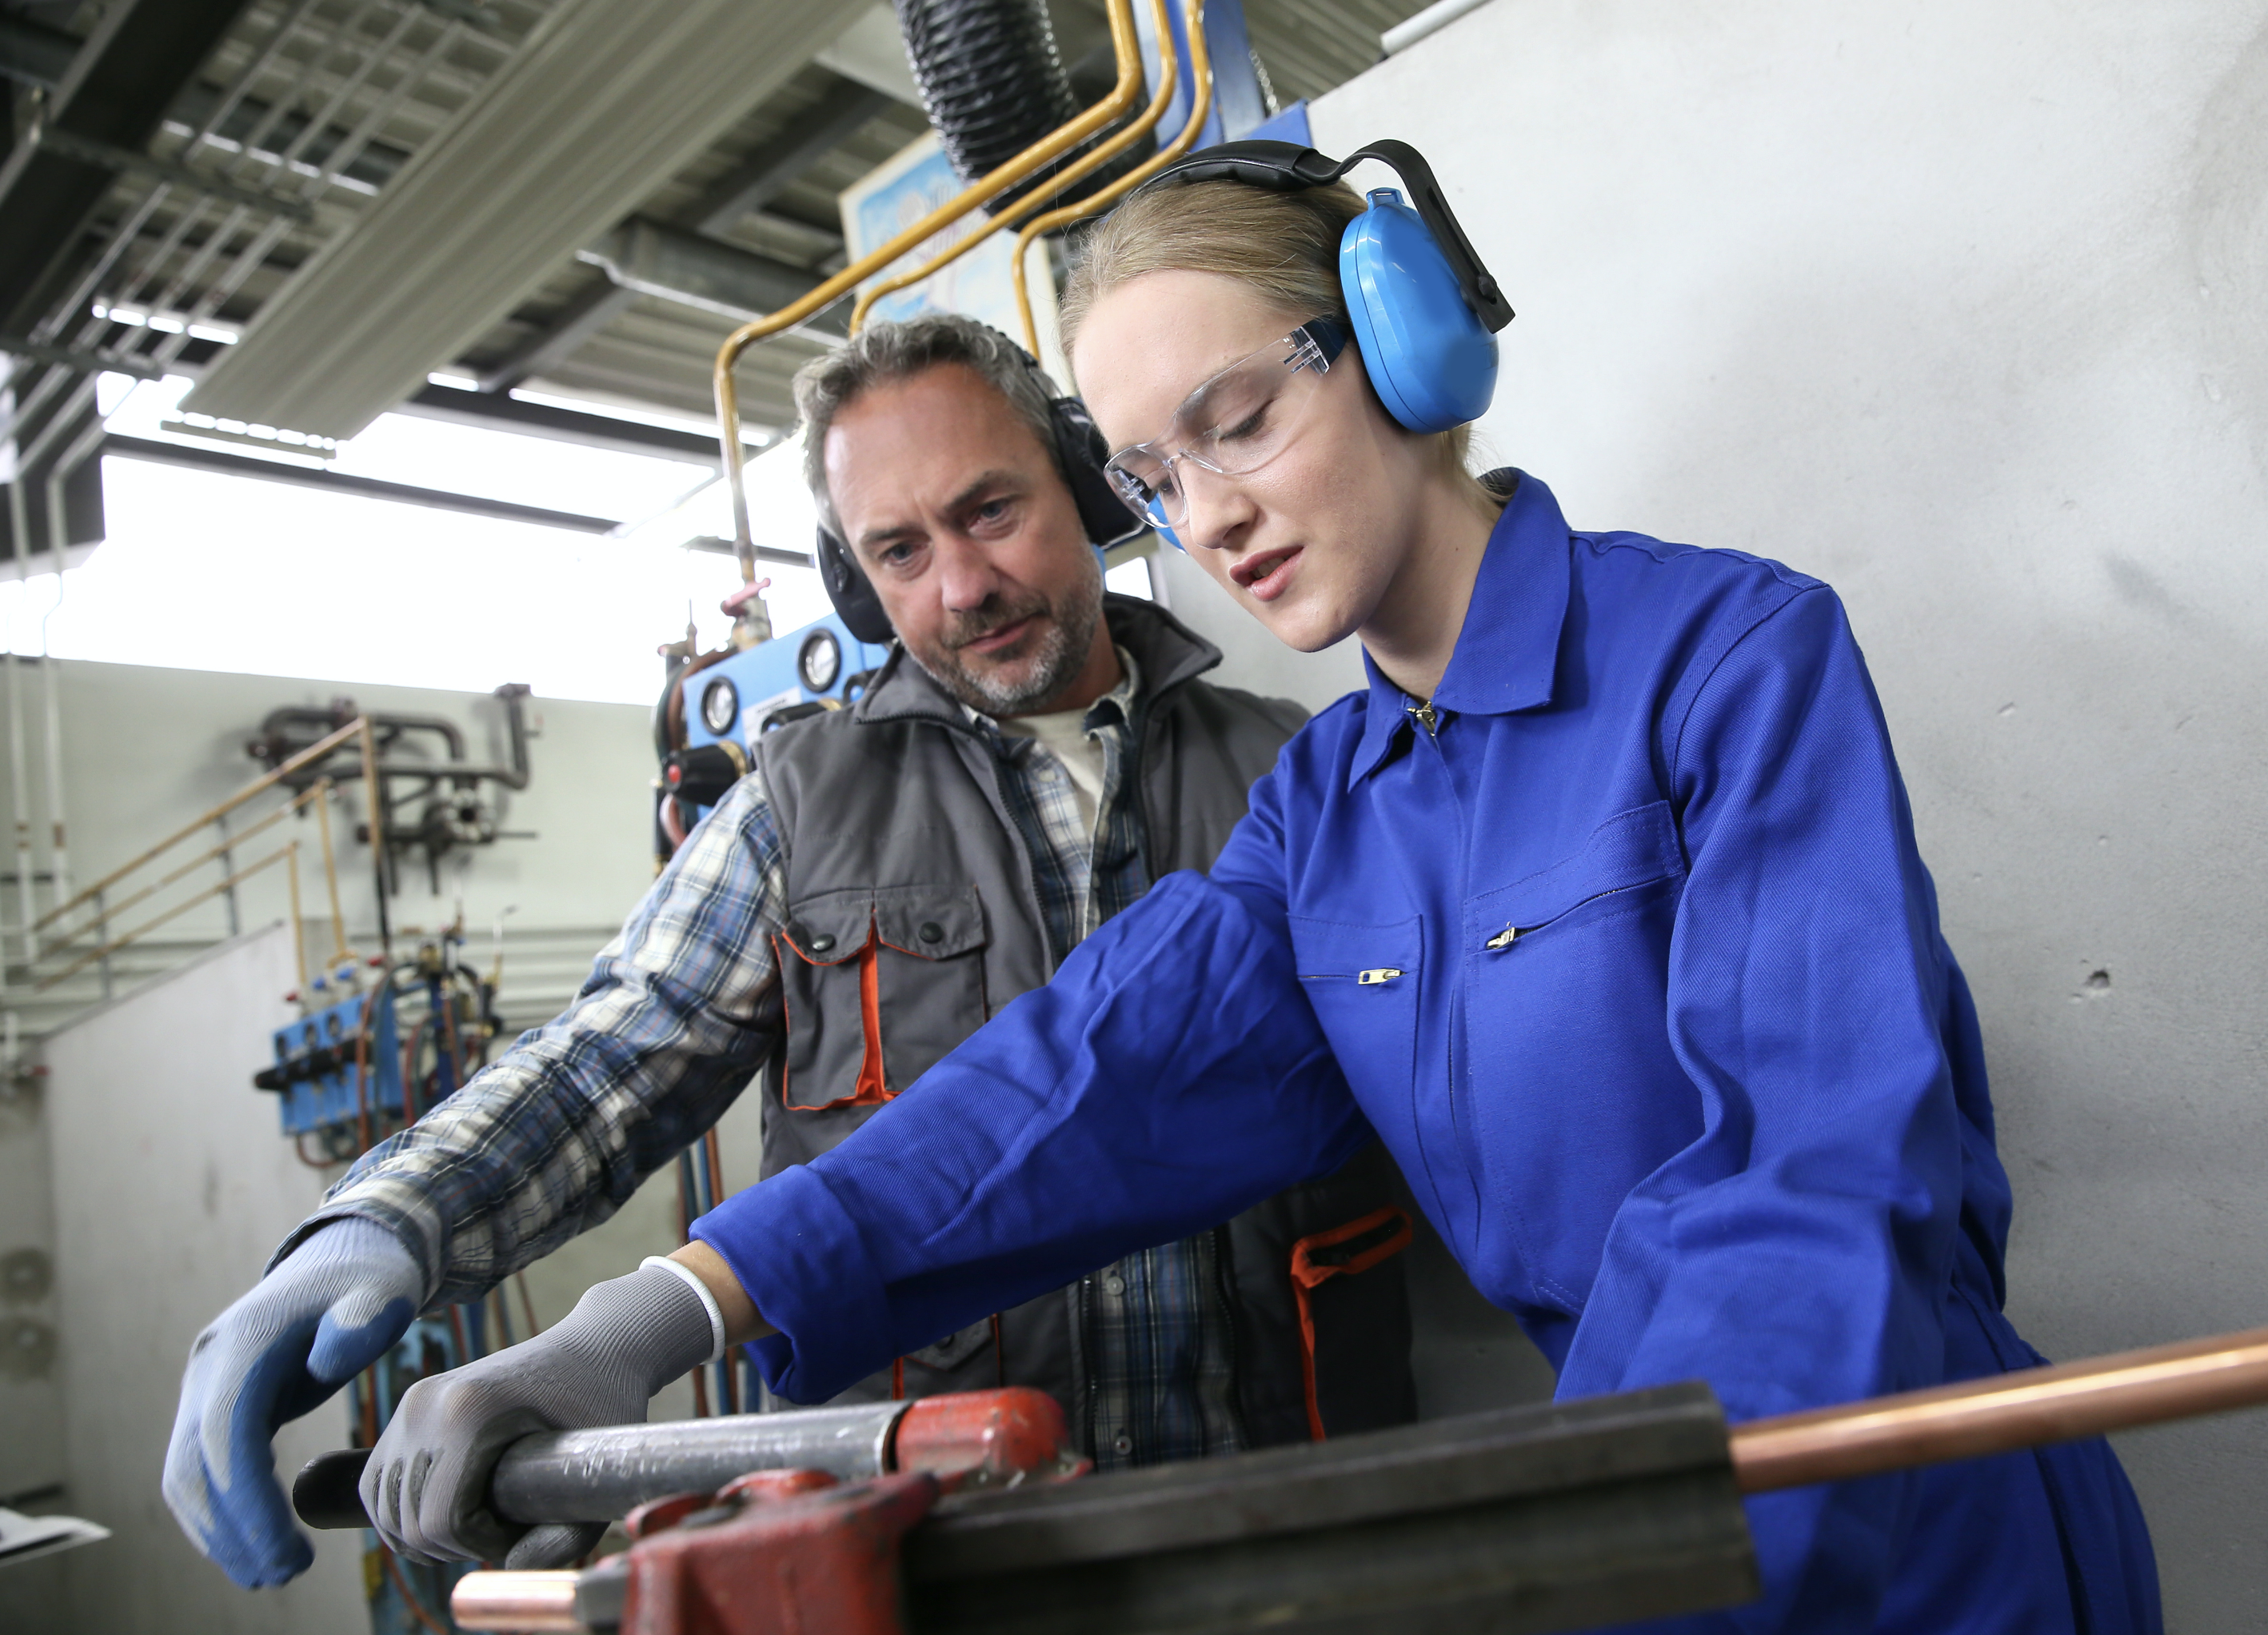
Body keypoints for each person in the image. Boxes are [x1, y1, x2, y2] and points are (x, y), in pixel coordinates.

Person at [351, 142, 2163, 1633]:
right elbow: (1061, 1088)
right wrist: (659, 1312)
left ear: (1404, 343)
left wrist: (1614, 1555)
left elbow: (1799, 1186)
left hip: (1891, 1539)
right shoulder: (1329, 806)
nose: (1204, 515)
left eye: (1234, 421)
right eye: (1153, 472)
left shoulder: (1729, 656)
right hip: (1635, 1534)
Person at [162, 311, 1418, 1589]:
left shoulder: (1293, 770)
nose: (960, 587)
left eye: (990, 512)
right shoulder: (796, 806)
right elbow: (611, 1058)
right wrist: (383, 1222)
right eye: (898, 551)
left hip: (1275, 1529)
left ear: (1091, 487)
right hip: (936, 1558)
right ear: (854, 580)